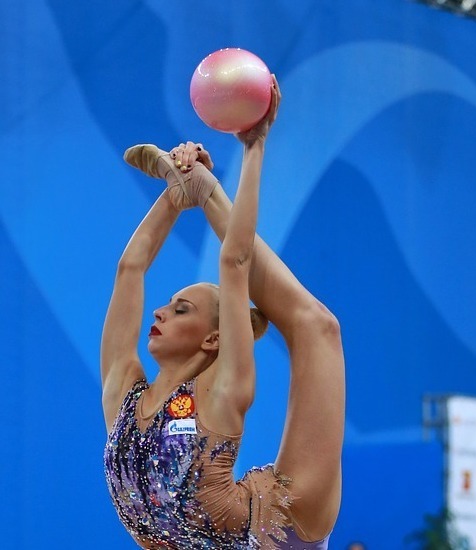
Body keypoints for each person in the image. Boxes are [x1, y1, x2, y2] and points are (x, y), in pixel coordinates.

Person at [102, 77, 345, 549]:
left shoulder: (221, 388)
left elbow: (235, 262)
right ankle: (200, 187)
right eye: (171, 305)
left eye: (180, 308)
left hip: (280, 527)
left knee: (317, 327)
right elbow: (130, 268)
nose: (160, 311)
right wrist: (173, 196)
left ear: (213, 339)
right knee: (316, 325)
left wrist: (253, 149)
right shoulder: (122, 400)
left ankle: (206, 187)